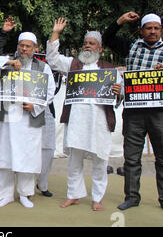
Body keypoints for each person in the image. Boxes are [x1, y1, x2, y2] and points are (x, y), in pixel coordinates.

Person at [103, 12, 163, 214]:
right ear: (141, 30)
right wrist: (120, 21)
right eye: (148, 28)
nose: (152, 31)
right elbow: (107, 39)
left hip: (160, 113)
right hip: (134, 112)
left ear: (161, 30)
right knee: (131, 158)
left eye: (156, 28)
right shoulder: (132, 46)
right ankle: (132, 197)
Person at [46, 18, 122, 211]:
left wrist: (118, 90)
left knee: (100, 161)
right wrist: (56, 33)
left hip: (100, 121)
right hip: (76, 120)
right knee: (74, 161)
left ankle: (97, 198)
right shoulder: (73, 64)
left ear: (100, 48)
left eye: (91, 43)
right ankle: (74, 195)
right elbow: (52, 59)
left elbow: (122, 94)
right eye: (85, 43)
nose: (87, 46)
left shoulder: (110, 70)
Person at [0, 32, 56, 208]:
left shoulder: (43, 67)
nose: (24, 49)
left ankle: (25, 194)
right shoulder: (7, 63)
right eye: (21, 46)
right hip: (9, 119)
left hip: (30, 120)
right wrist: (9, 62)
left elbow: (50, 92)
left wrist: (35, 105)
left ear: (35, 49)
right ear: (18, 46)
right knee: (6, 157)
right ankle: (6, 194)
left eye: (28, 46)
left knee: (28, 157)